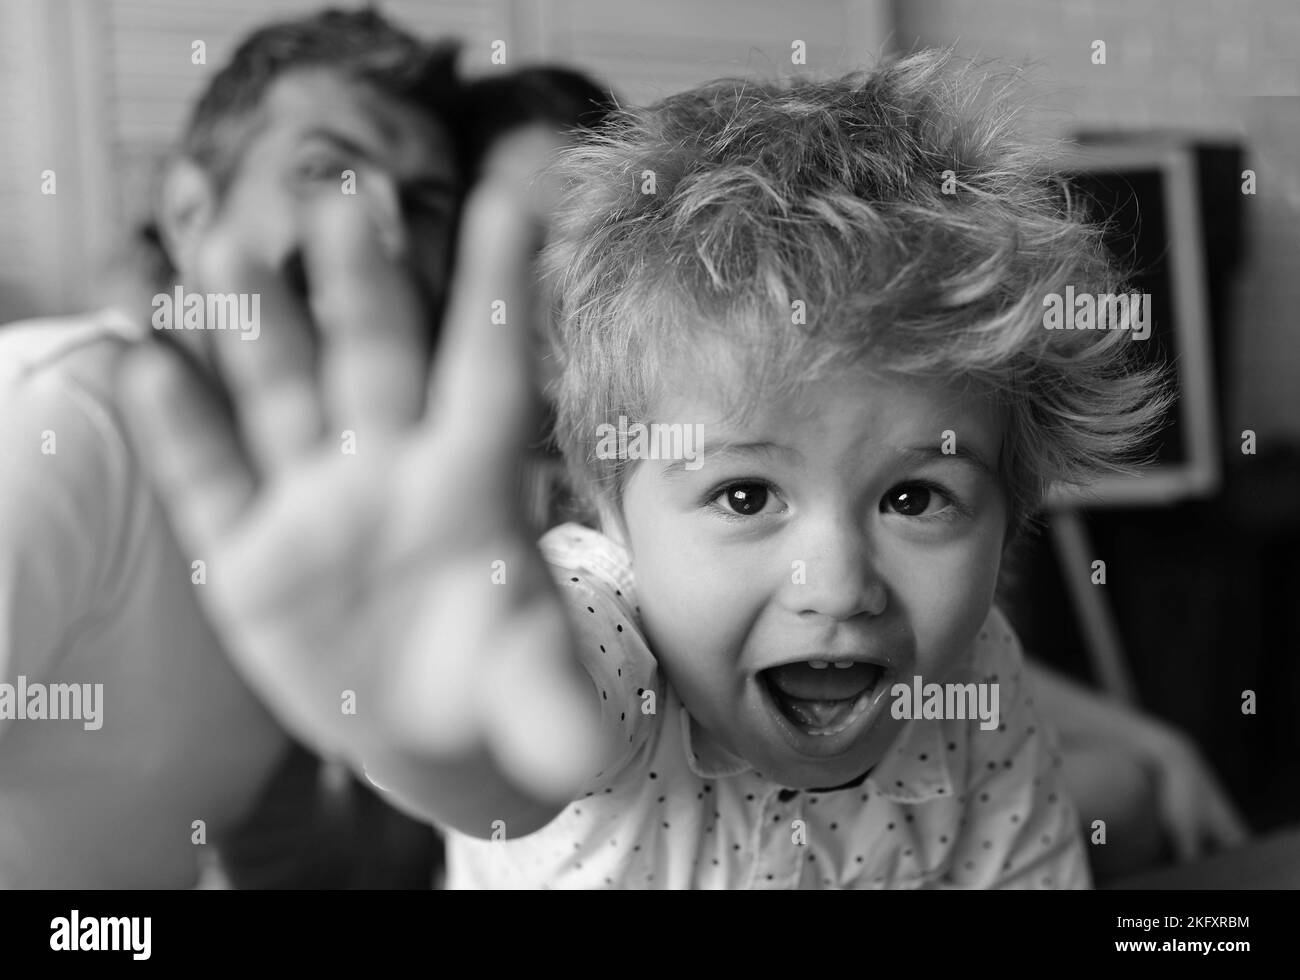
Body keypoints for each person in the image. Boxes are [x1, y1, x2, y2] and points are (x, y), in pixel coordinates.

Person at [116, 50, 1230, 889]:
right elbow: (524, 747)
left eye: (914, 496)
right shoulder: (601, 628)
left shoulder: (973, 679)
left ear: (1013, 517)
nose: (837, 583)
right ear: (608, 505)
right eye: (744, 495)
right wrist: (421, 739)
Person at [0, 7, 463, 887]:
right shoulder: (52, 420)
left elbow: (298, 864)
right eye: (329, 171)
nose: (383, 233)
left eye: (429, 203)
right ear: (188, 209)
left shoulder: (326, 494)